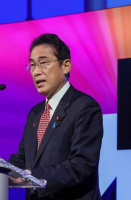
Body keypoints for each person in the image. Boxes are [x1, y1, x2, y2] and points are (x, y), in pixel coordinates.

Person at [9, 33, 103, 200]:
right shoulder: (35, 113)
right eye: (32, 65)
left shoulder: (85, 107)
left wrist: (29, 176)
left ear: (65, 66)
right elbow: (23, 159)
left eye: (43, 63)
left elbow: (81, 166)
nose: (36, 72)